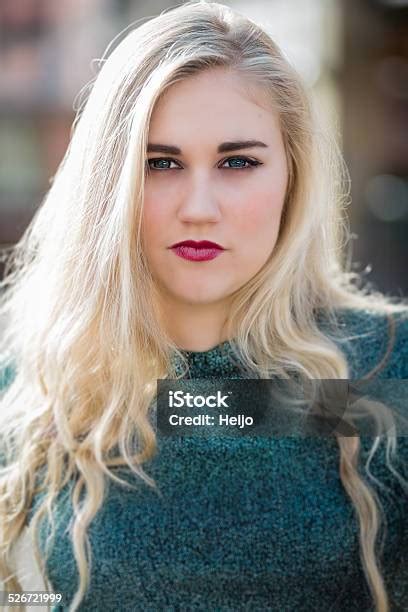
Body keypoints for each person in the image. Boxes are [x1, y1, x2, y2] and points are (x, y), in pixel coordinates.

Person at [0, 1, 407, 610]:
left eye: (237, 162)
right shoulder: (40, 380)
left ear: (293, 175)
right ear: (110, 182)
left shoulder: (386, 370)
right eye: (161, 163)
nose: (198, 206)